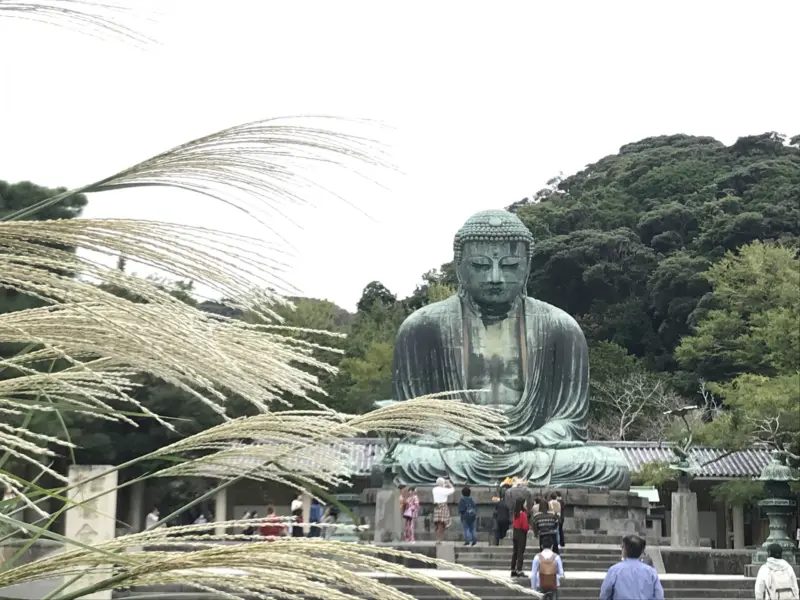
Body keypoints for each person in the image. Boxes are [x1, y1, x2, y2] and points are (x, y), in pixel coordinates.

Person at [599, 534, 665, 600]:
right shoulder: (651, 572)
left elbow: (605, 594)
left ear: (624, 550)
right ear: (641, 551)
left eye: (622, 547)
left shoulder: (614, 570)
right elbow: (659, 596)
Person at [531, 534, 564, 599]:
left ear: (542, 546)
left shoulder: (537, 557)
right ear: (552, 546)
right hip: (553, 585)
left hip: (541, 584)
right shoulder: (556, 557)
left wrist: (533, 588)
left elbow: (533, 574)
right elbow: (561, 573)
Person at [510, 497, 530, 577]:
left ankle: (513, 569)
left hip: (515, 533)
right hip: (521, 534)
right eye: (525, 503)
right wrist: (528, 527)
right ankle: (519, 570)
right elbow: (525, 526)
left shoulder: (515, 513)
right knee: (520, 552)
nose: (526, 504)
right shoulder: (522, 514)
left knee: (515, 552)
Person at [432, 477, 455, 544]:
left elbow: (441, 487)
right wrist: (448, 483)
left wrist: (444, 484)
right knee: (441, 525)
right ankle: (438, 539)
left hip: (437, 507)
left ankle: (438, 539)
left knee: (439, 524)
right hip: (443, 506)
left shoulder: (434, 489)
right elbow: (452, 489)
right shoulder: (444, 490)